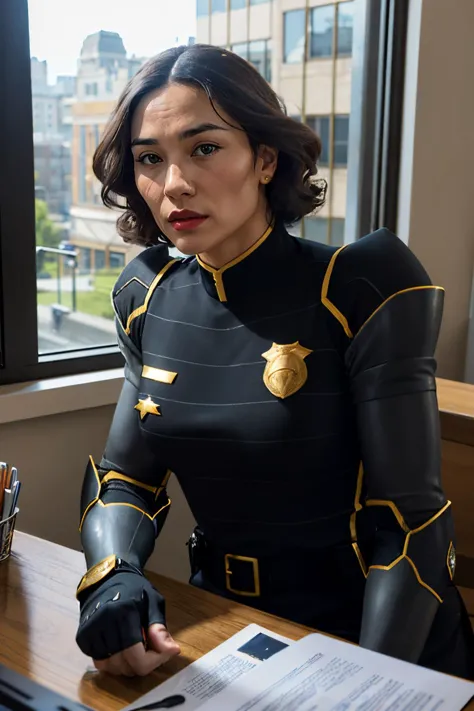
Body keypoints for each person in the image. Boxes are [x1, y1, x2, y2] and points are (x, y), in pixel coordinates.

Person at [74, 43, 474, 679]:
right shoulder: (146, 295)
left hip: (374, 637)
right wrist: (111, 574)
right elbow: (129, 477)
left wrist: (369, 683)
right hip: (222, 628)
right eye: (151, 159)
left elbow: (411, 521)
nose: (174, 183)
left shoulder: (360, 286)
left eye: (204, 148)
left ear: (264, 158)